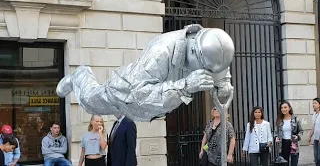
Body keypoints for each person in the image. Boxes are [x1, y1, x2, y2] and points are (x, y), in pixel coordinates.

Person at [56, 24, 235, 122]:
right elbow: (140, 95)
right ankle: (80, 74)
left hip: (146, 108)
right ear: (193, 52)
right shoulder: (161, 51)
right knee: (90, 102)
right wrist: (185, 86)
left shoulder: (214, 49)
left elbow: (222, 78)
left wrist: (223, 86)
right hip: (125, 91)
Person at [275, 101, 303, 166]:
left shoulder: (296, 119)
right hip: (283, 144)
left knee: (294, 162)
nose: (283, 109)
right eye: (282, 108)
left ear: (289, 108)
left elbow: (301, 131)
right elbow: (276, 132)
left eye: (285, 107)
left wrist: (297, 136)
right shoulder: (279, 119)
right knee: (284, 163)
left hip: (293, 143)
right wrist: (276, 137)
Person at [308, 98, 320, 166]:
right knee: (316, 157)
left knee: (319, 156)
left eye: (315, 103)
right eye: (313, 103)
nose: (313, 104)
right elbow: (313, 127)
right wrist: (310, 136)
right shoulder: (314, 114)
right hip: (316, 138)